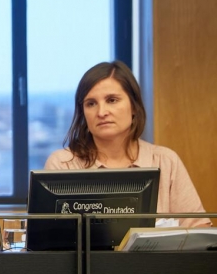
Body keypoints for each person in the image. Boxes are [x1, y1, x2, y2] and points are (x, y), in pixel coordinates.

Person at [45, 61, 210, 228]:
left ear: (134, 107)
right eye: (91, 104)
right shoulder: (62, 164)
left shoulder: (165, 161)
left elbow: (200, 229)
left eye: (112, 100)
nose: (101, 112)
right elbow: (44, 239)